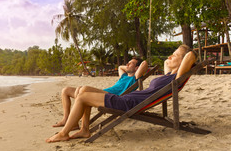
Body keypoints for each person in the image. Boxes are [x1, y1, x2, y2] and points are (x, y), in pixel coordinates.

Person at [46, 45, 196, 143]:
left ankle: (64, 133)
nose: (169, 57)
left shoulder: (176, 78)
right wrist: (175, 59)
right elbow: (168, 63)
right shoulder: (169, 75)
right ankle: (84, 129)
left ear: (183, 62)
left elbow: (191, 56)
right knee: (84, 90)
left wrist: (186, 53)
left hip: (129, 103)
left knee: (83, 97)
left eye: (174, 55)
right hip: (127, 99)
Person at [52, 58, 148, 129]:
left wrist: (133, 68)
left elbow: (144, 63)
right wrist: (128, 67)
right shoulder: (123, 76)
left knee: (83, 89)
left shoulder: (135, 78)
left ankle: (75, 123)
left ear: (137, 68)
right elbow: (120, 67)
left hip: (112, 97)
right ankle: (66, 119)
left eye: (130, 63)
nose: (127, 64)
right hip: (103, 92)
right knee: (66, 90)